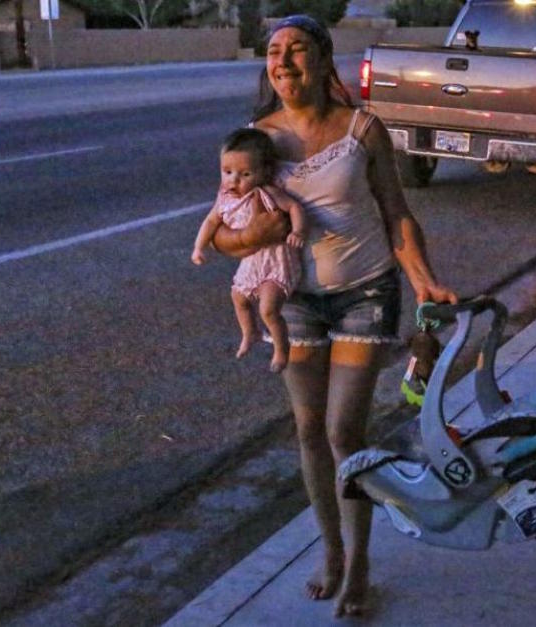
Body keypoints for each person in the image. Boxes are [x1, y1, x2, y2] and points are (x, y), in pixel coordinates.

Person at [210, 14, 458, 618]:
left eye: (297, 50)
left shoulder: (361, 129)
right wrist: (249, 240)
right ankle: (332, 553)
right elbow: (222, 228)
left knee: (344, 431)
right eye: (274, 51)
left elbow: (396, 212)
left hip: (365, 293)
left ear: (323, 60)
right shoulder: (257, 140)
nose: (283, 61)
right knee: (307, 430)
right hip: (294, 298)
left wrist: (423, 280)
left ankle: (362, 561)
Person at [192, 127, 307, 373]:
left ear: (265, 172)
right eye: (227, 172)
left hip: (276, 262)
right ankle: (250, 331)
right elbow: (211, 221)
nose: (234, 180)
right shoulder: (225, 198)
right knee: (238, 297)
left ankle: (281, 348)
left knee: (268, 308)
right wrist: (198, 247)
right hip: (252, 261)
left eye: (245, 174)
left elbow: (294, 207)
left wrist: (298, 231)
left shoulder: (266, 193)